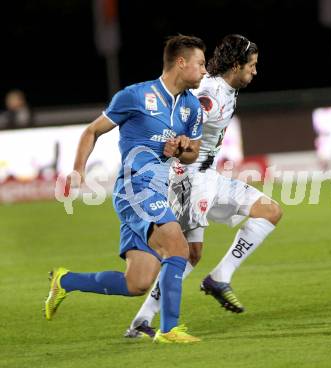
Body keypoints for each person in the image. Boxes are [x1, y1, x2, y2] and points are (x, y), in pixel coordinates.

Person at [44, 35, 207, 344]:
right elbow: (92, 130)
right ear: (181, 62)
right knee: (178, 249)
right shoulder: (135, 96)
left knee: (138, 282)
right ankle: (169, 329)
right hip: (135, 187)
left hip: (158, 189)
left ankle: (64, 280)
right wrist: (78, 171)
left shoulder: (192, 107)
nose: (204, 70)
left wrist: (180, 149)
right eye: (200, 63)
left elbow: (193, 153)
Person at [125, 34, 282, 338]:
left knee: (270, 211)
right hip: (188, 179)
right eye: (251, 65)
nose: (255, 71)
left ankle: (220, 277)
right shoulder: (210, 95)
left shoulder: (225, 87)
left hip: (208, 177)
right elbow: (178, 120)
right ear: (235, 65)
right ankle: (143, 320)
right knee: (184, 254)